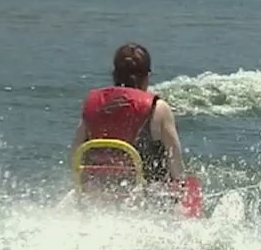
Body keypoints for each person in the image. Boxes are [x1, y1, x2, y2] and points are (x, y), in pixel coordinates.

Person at [71, 43, 186, 189]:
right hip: (144, 194)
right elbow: (174, 155)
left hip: (100, 189)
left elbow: (76, 150)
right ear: (147, 76)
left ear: (115, 74)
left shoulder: (92, 104)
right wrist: (181, 185)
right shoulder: (158, 107)